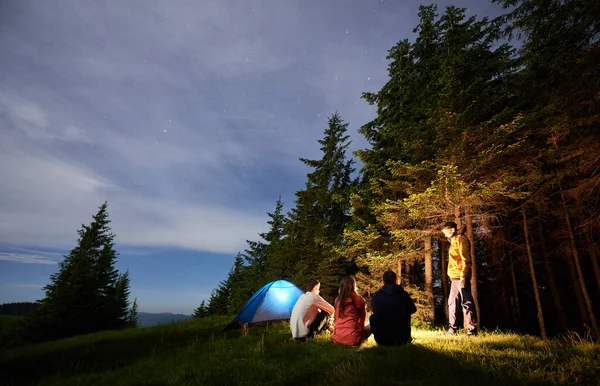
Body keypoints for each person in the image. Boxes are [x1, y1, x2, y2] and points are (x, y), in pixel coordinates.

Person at [442, 221, 478, 336]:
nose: (444, 234)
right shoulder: (452, 242)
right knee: (452, 302)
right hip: (454, 277)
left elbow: (466, 259)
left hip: (461, 276)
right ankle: (452, 329)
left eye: (445, 232)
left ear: (452, 230)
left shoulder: (461, 239)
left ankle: (472, 330)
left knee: (466, 302)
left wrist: (463, 275)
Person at [369, 270, 416, 346]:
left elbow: (372, 310)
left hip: (381, 340)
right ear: (396, 281)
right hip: (402, 339)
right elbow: (413, 310)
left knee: (373, 317)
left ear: (383, 281)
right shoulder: (404, 295)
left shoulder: (376, 295)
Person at [332, 276, 372, 346]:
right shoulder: (359, 300)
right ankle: (362, 339)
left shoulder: (337, 300)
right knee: (374, 323)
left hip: (337, 338)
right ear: (354, 286)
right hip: (353, 339)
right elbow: (362, 319)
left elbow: (337, 317)